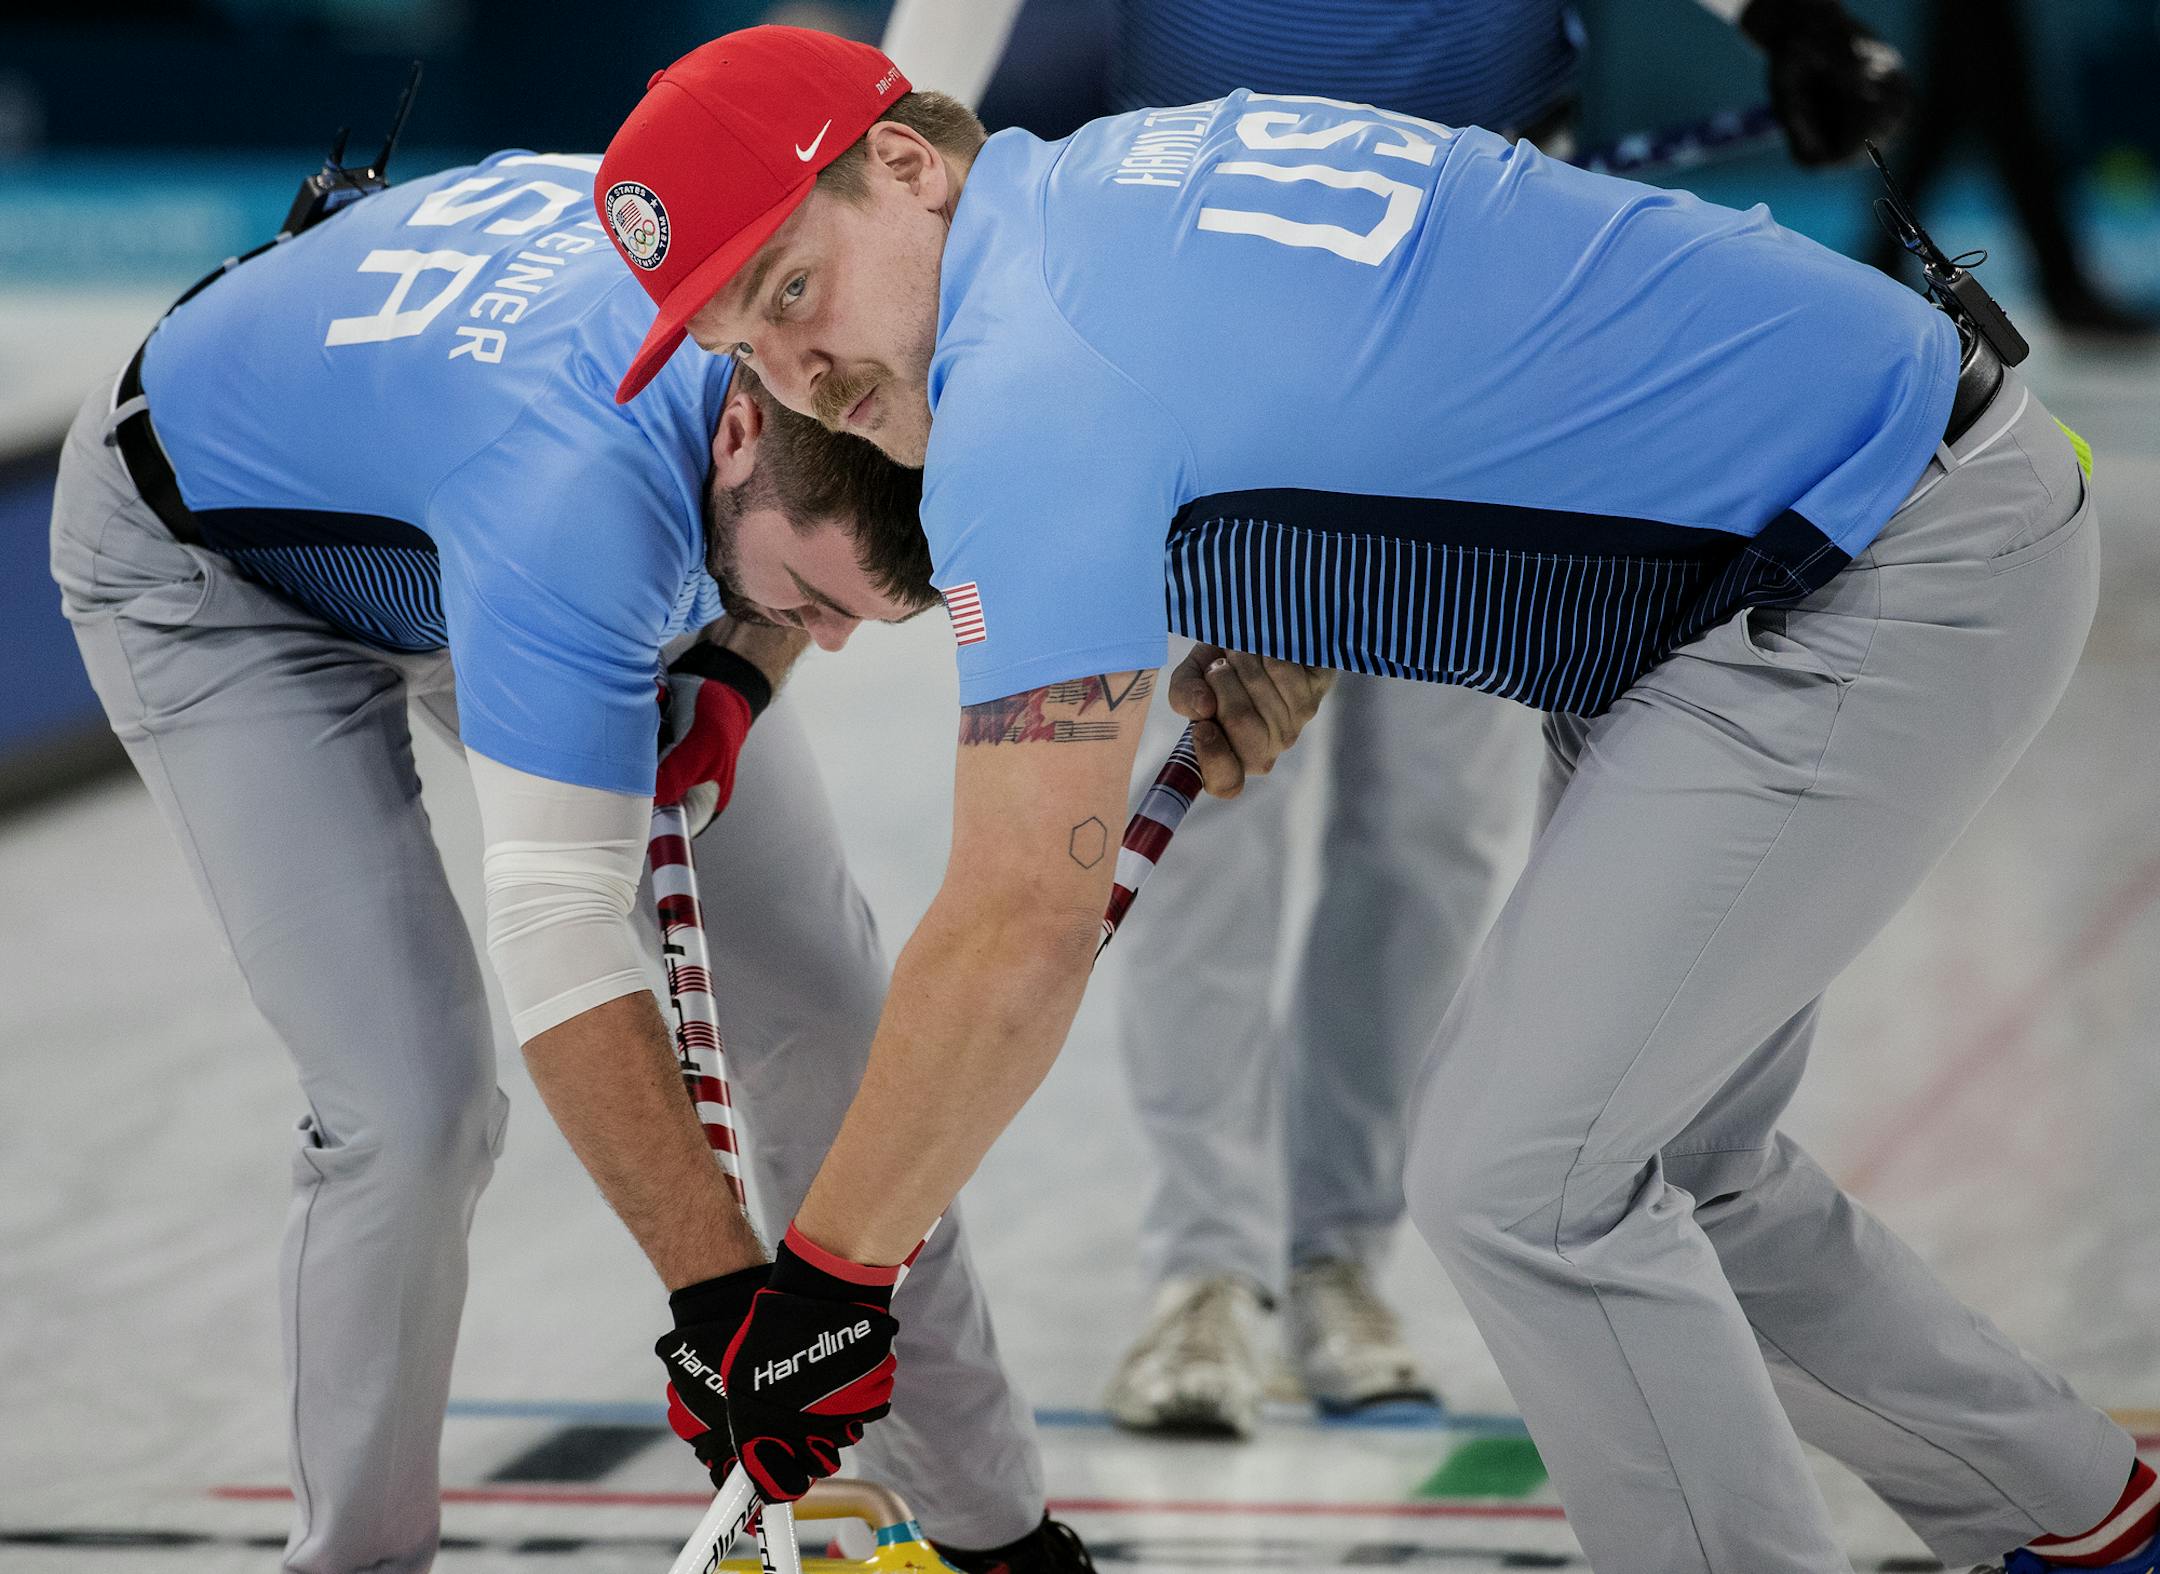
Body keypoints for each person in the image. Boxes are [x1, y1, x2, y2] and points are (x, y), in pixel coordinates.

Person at [597, 26, 2157, 1574]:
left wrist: (823, 1282)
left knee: (1528, 1184)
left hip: (1860, 567)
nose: (802, 372)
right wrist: (1293, 603)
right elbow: (1402, 337)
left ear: (907, 162)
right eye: (747, 341)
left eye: (795, 287)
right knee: (1669, 1165)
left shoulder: (1023, 380)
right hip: (1846, 525)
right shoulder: (1104, 188)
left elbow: (1015, 919)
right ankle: (2083, 1513)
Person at [49, 148, 1094, 1574]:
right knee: (407, 1105)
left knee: (832, 1024)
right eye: (804, 601)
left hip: (455, 493)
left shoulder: (817, 337)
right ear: (741, 427)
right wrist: (725, 1306)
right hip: (223, 574)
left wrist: (740, 660)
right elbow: (563, 935)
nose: (825, 640)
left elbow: (798, 555)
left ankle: (1001, 1541)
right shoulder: (573, 504)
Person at [878, 0, 1912, 1437]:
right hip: (1190, 323)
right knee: (1211, 817)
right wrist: (881, 189)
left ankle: (1340, 1261)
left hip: (1466, 329)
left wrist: (1785, 19)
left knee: (1424, 834)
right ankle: (1206, 1276)